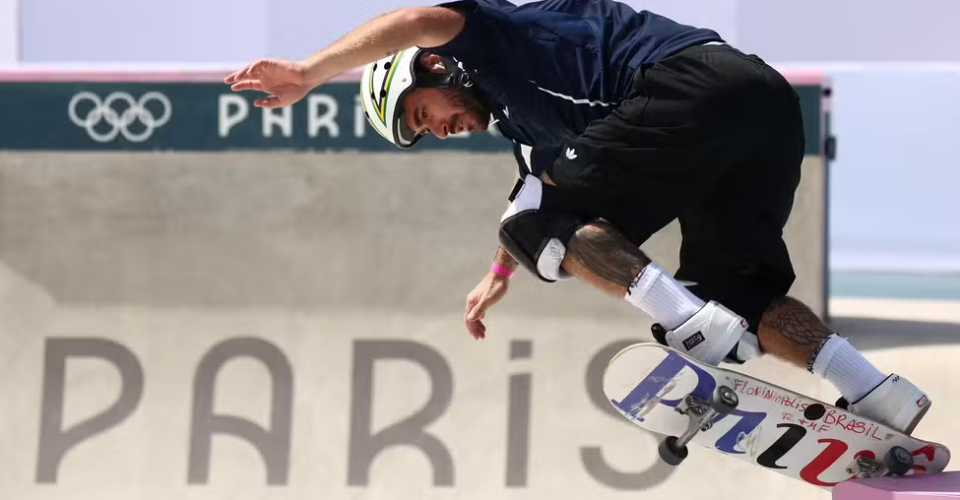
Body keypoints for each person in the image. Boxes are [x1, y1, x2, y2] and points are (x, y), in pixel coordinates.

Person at [224, 0, 931, 434]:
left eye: (420, 115)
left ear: (433, 71)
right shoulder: (526, 128)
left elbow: (414, 19)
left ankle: (693, 325)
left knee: (545, 228)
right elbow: (531, 198)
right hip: (762, 105)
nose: (435, 130)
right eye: (421, 134)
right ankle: (876, 392)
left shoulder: (485, 37)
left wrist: (311, 70)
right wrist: (499, 272)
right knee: (739, 289)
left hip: (689, 84)